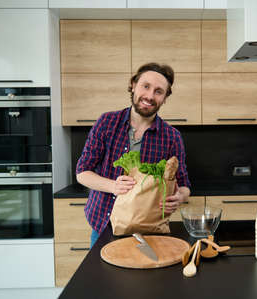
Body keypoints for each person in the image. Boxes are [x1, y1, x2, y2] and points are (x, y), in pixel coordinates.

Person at [76, 62, 191, 247]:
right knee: (101, 276)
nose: (150, 96)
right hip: (103, 226)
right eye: (146, 86)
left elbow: (184, 185)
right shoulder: (107, 122)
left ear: (165, 98)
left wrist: (179, 197)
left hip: (148, 229)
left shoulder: (172, 137)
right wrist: (114, 186)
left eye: (158, 91)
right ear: (133, 84)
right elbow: (82, 172)